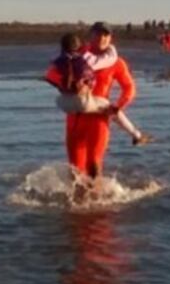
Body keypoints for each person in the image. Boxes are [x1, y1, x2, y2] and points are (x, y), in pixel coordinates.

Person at [45, 23, 151, 177]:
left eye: (106, 35)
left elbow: (129, 88)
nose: (102, 38)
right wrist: (68, 85)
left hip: (98, 119)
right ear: (91, 36)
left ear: (111, 38)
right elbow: (52, 73)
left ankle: (97, 197)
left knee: (94, 165)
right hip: (74, 118)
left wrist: (118, 106)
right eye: (98, 34)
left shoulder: (117, 63)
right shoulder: (75, 56)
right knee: (75, 170)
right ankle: (78, 199)